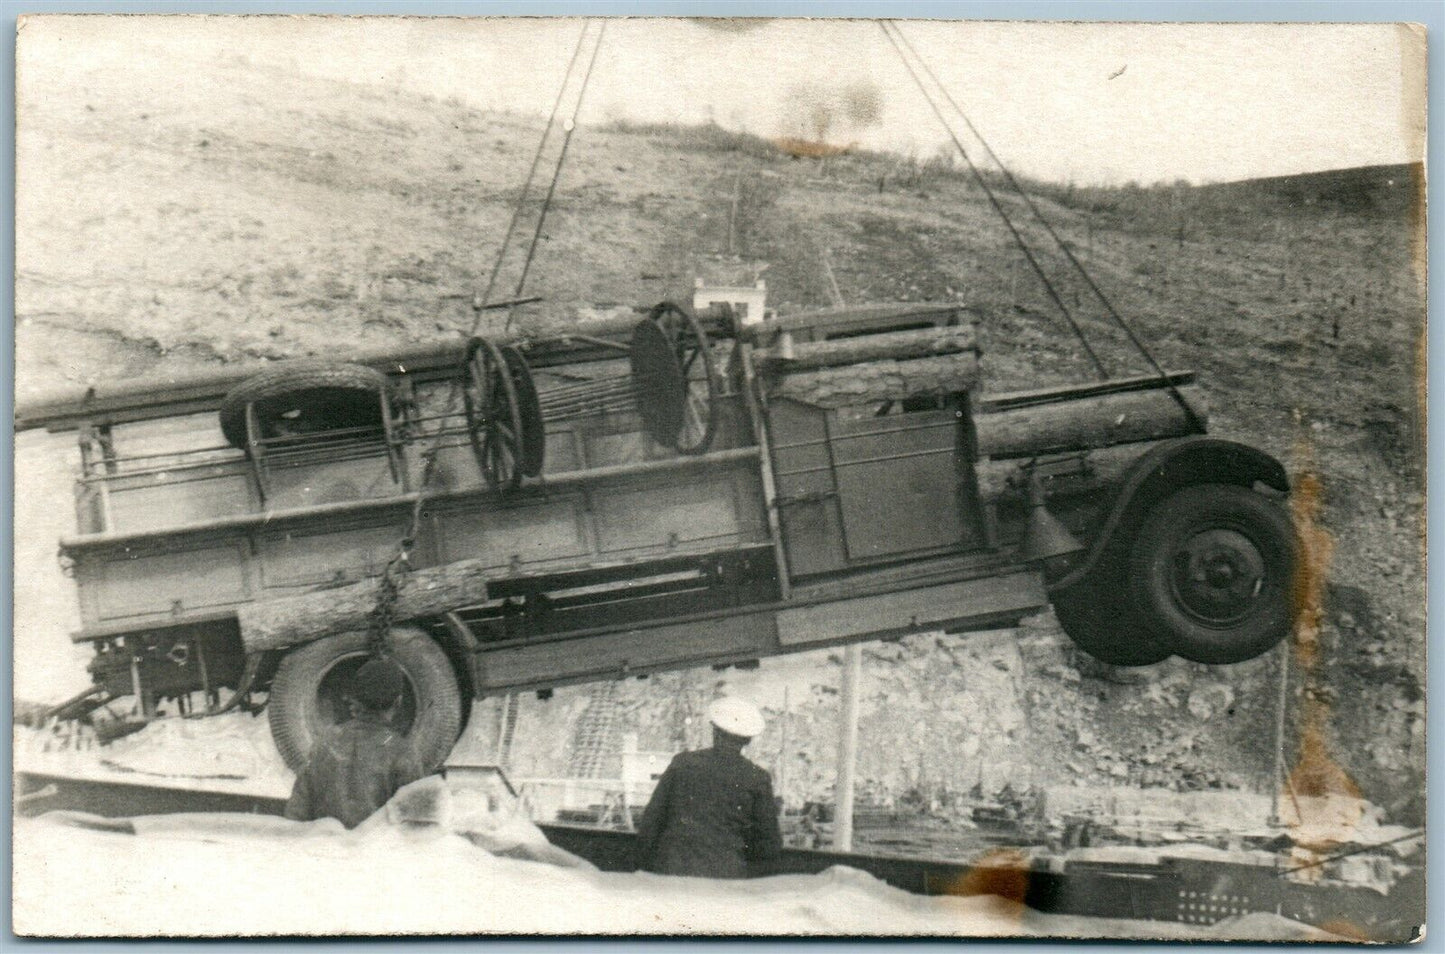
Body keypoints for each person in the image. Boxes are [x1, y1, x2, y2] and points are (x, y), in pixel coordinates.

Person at [634, 696, 783, 879]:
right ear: (748, 740)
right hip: (726, 877)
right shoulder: (757, 778)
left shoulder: (682, 763)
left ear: (715, 732)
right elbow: (768, 845)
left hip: (670, 870)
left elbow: (651, 822)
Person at [284, 656, 428, 829]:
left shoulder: (324, 743)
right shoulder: (401, 752)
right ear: (398, 702)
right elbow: (416, 828)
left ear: (356, 700)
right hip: (374, 853)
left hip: (326, 850)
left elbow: (296, 815)